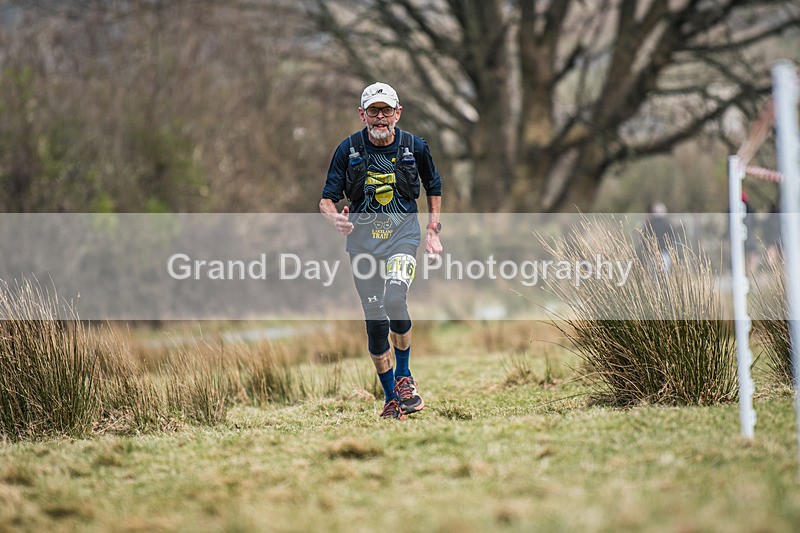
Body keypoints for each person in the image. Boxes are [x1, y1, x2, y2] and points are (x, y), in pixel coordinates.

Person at [319, 82, 443, 420]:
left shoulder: (415, 146)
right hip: (362, 247)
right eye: (373, 110)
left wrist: (433, 230)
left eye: (386, 109)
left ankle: (404, 376)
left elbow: (433, 184)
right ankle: (392, 400)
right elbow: (326, 200)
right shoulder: (348, 149)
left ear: (397, 113)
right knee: (375, 323)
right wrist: (336, 220)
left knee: (394, 300)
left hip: (403, 238)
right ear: (362, 114)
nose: (380, 117)